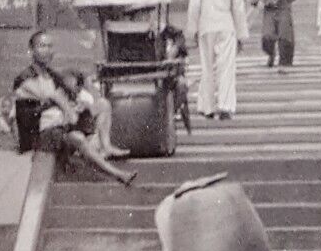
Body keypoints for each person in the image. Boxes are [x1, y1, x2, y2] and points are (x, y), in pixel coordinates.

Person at [11, 30, 136, 184]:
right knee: (77, 137)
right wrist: (70, 111)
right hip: (39, 133)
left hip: (59, 123)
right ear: (31, 51)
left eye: (50, 46)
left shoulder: (52, 75)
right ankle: (118, 174)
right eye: (42, 46)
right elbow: (53, 97)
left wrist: (79, 104)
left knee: (102, 105)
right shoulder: (25, 78)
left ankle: (106, 146)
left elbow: (67, 96)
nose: (47, 50)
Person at [187, 0, 249, 118]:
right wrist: (242, 35)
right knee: (226, 68)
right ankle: (225, 106)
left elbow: (195, 6)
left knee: (207, 68)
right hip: (226, 26)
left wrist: (192, 30)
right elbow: (238, 9)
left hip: (206, 27)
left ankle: (207, 107)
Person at [162, 23, 193, 134]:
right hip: (159, 74)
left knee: (181, 85)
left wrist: (175, 51)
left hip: (172, 74)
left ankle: (175, 111)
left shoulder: (171, 32)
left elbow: (181, 47)